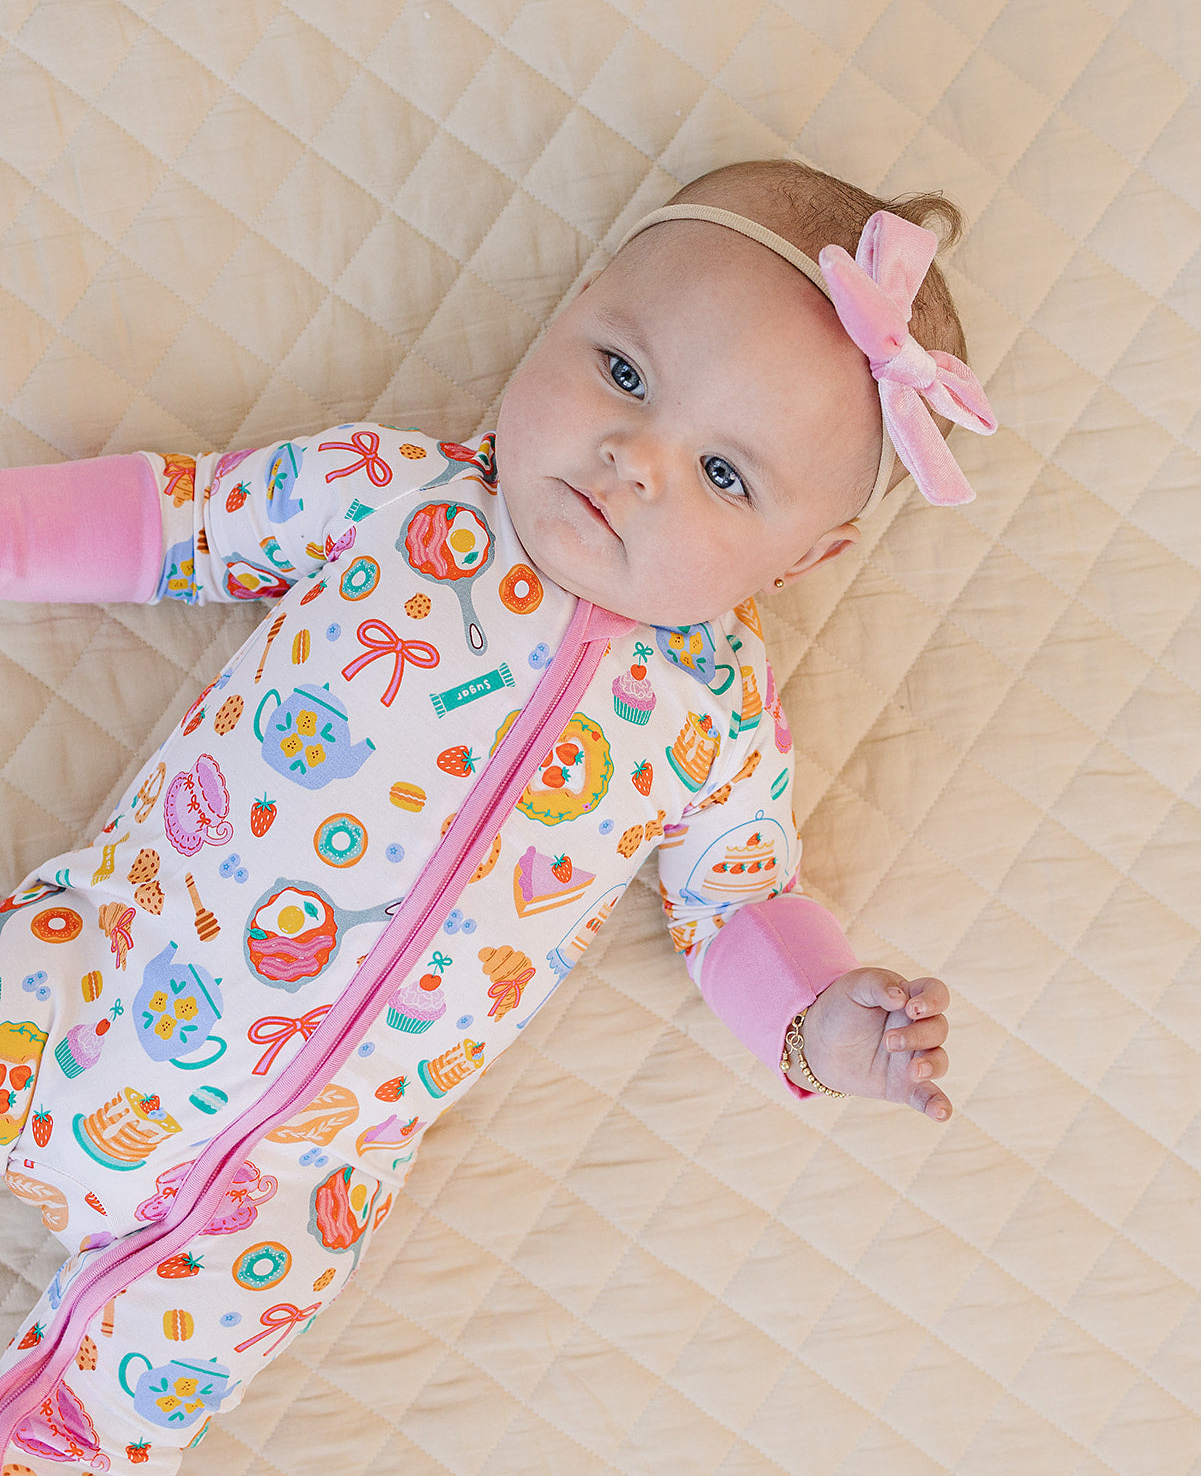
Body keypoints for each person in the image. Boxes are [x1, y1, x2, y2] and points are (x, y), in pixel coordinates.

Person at [0, 159, 993, 1472]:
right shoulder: (391, 497)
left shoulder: (717, 717)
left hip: (294, 1179)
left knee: (134, 1395)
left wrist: (821, 1019)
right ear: (567, 310)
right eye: (623, 374)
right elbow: (179, 522)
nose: (635, 461)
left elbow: (738, 899)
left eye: (723, 475)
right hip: (98, 969)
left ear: (805, 559)